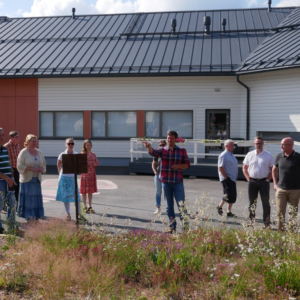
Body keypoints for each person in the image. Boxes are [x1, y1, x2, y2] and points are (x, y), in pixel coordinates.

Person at [144, 130, 190, 233]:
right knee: (169, 207)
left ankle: (186, 228)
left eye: (171, 138)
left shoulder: (182, 150)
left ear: (176, 139)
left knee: (181, 205)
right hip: (166, 183)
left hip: (177, 182)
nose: (169, 140)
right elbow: (153, 153)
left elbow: (187, 164)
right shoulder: (162, 150)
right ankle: (172, 226)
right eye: (168, 138)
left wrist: (178, 166)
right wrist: (149, 147)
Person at [243, 137, 274, 228]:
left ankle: (267, 223)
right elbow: (244, 168)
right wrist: (248, 179)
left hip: (264, 182)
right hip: (252, 182)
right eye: (257, 143)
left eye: (260, 143)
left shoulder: (268, 155)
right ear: (254, 144)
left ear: (263, 143)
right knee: (252, 203)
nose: (258, 145)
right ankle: (251, 222)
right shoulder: (249, 154)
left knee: (266, 203)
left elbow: (273, 169)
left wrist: (268, 179)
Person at [272, 137, 300, 232]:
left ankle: (291, 234)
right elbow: (274, 169)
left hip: (295, 190)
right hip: (281, 189)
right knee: (280, 212)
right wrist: (275, 184)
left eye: (283, 144)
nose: (281, 146)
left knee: (293, 213)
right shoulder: (279, 156)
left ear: (290, 145)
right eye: (281, 144)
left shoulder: (298, 157)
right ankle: (281, 232)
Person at [17, 134, 46, 221]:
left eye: (35, 141)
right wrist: (32, 169)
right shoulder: (23, 152)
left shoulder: (39, 152)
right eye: (32, 141)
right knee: (29, 200)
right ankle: (29, 217)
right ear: (27, 142)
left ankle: (36, 216)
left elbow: (44, 163)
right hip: (27, 180)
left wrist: (42, 169)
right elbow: (19, 165)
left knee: (36, 200)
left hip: (36, 180)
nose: (34, 143)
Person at [56, 138, 81, 221]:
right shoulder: (62, 154)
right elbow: (59, 165)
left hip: (73, 177)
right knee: (66, 197)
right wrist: (61, 174)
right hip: (64, 177)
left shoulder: (76, 154)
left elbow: (79, 166)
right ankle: (68, 214)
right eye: (69, 143)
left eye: (72, 143)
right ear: (66, 144)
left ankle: (79, 214)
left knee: (76, 196)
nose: (70, 145)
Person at [0, 128, 17, 232]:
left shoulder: (4, 149)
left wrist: (12, 178)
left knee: (12, 204)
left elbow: (9, 164)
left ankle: (11, 227)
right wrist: (7, 178)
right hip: (1, 181)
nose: (1, 137)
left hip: (9, 182)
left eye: (2, 135)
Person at [217, 139, 238, 217]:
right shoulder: (223, 155)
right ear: (226, 146)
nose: (233, 147)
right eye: (232, 145)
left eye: (233, 145)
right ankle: (219, 206)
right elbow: (220, 167)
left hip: (232, 178)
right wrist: (226, 177)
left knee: (233, 195)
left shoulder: (231, 154)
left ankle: (229, 212)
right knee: (228, 194)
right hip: (226, 178)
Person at [80, 139, 98, 214]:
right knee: (84, 191)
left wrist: (90, 163)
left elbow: (97, 163)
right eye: (87, 145)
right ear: (84, 146)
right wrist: (91, 163)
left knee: (90, 191)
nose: (88, 146)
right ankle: (84, 206)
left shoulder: (93, 154)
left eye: (89, 145)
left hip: (92, 174)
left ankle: (90, 206)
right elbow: (82, 164)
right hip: (85, 174)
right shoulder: (83, 154)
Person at [4, 131, 20, 204]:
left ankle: (15, 205)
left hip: (17, 170)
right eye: (16, 137)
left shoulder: (17, 146)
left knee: (17, 188)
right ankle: (5, 205)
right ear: (11, 138)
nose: (18, 138)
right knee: (9, 188)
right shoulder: (6, 147)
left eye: (18, 137)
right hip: (9, 171)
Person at [152, 140, 166, 215]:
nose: (162, 146)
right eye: (160, 145)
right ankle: (158, 207)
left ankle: (168, 207)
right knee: (158, 191)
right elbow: (153, 164)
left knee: (167, 191)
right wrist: (155, 172)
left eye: (163, 145)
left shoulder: (168, 153)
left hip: (166, 175)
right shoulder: (157, 154)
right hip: (158, 175)